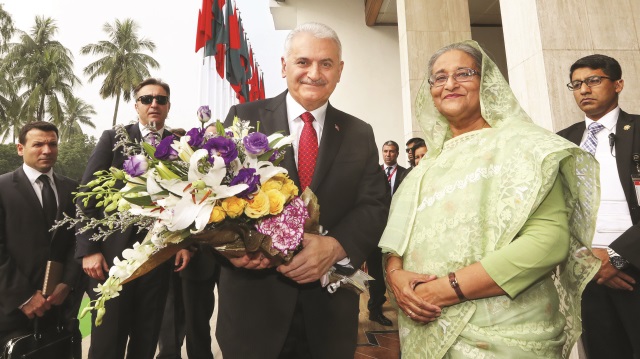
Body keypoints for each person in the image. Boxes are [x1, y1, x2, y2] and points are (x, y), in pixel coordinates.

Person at [379, 41, 600, 358]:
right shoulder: (424, 169)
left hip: (505, 336)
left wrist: (446, 290)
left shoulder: (525, 146)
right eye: (439, 77)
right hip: (426, 329)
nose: (450, 84)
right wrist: (397, 278)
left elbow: (548, 241)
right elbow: (395, 244)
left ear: (487, 83)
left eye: (463, 73)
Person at [218, 22, 390, 359]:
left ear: (339, 71)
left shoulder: (359, 132)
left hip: (329, 313)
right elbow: (216, 196)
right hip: (254, 309)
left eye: (326, 64)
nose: (314, 73)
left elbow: (374, 204)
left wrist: (336, 245)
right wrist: (230, 248)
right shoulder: (243, 118)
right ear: (284, 66)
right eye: (303, 62)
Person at [76, 78, 192, 359]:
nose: (154, 104)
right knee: (107, 343)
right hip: (112, 261)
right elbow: (86, 194)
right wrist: (89, 250)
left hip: (158, 259)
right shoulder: (114, 139)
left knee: (146, 338)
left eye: (161, 100)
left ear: (168, 106)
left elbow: (192, 199)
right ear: (136, 105)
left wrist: (186, 244)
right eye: (147, 99)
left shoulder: (182, 146)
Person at [557, 54, 640, 359]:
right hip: (587, 275)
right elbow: (555, 213)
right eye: (576, 84)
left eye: (594, 80)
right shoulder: (561, 142)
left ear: (618, 84)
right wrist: (587, 262)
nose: (584, 90)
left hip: (634, 270)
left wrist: (616, 258)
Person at [0, 121, 81, 345]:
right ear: (20, 148)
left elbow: (79, 239)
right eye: (38, 144)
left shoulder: (73, 189)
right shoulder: (3, 188)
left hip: (59, 309)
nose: (47, 150)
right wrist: (24, 297)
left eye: (52, 144)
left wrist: (67, 283)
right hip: (11, 312)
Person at [366, 140, 407, 326]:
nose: (388, 154)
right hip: (376, 231)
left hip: (398, 229)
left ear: (397, 153)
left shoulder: (406, 174)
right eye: (385, 151)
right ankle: (375, 309)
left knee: (398, 269)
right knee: (375, 272)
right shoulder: (375, 175)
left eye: (392, 151)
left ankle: (404, 308)